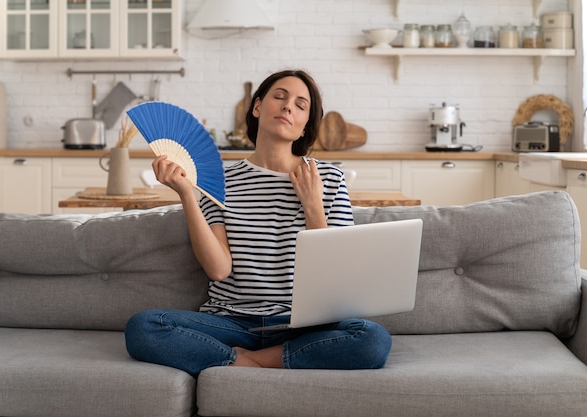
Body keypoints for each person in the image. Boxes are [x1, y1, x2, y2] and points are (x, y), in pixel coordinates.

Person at [124, 69, 392, 377]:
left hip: (301, 324)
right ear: (257, 107)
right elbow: (218, 269)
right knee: (144, 327)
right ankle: (264, 360)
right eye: (279, 97)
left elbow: (337, 276)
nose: (288, 106)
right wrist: (186, 194)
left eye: (300, 105)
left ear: (306, 126)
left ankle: (247, 362)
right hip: (232, 322)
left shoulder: (328, 178)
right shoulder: (219, 179)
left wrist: (312, 205)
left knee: (372, 339)